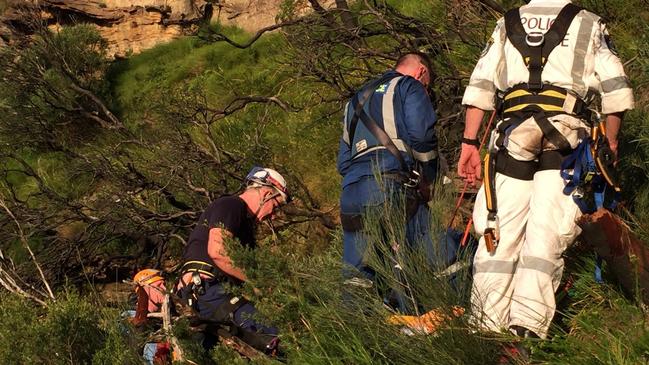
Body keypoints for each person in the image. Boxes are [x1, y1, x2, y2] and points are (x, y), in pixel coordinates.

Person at [458, 0, 634, 339]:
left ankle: (484, 328)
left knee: (500, 233)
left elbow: (480, 86)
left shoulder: (506, 24)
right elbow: (615, 88)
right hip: (565, 134)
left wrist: (468, 143)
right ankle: (526, 328)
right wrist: (610, 143)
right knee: (546, 231)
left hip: (512, 134)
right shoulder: (587, 23)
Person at [337, 52, 440, 312]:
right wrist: (429, 178)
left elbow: (343, 163)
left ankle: (353, 337)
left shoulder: (354, 101)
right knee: (431, 252)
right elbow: (422, 137)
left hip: (351, 193)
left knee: (356, 277)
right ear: (421, 73)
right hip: (389, 184)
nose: (426, 92)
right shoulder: (409, 86)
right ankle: (420, 325)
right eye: (428, 87)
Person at [175, 167, 290, 353]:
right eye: (275, 206)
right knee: (279, 339)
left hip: (208, 296)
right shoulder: (231, 205)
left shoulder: (245, 229)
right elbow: (218, 251)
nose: (274, 215)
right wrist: (258, 282)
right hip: (208, 291)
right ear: (267, 194)